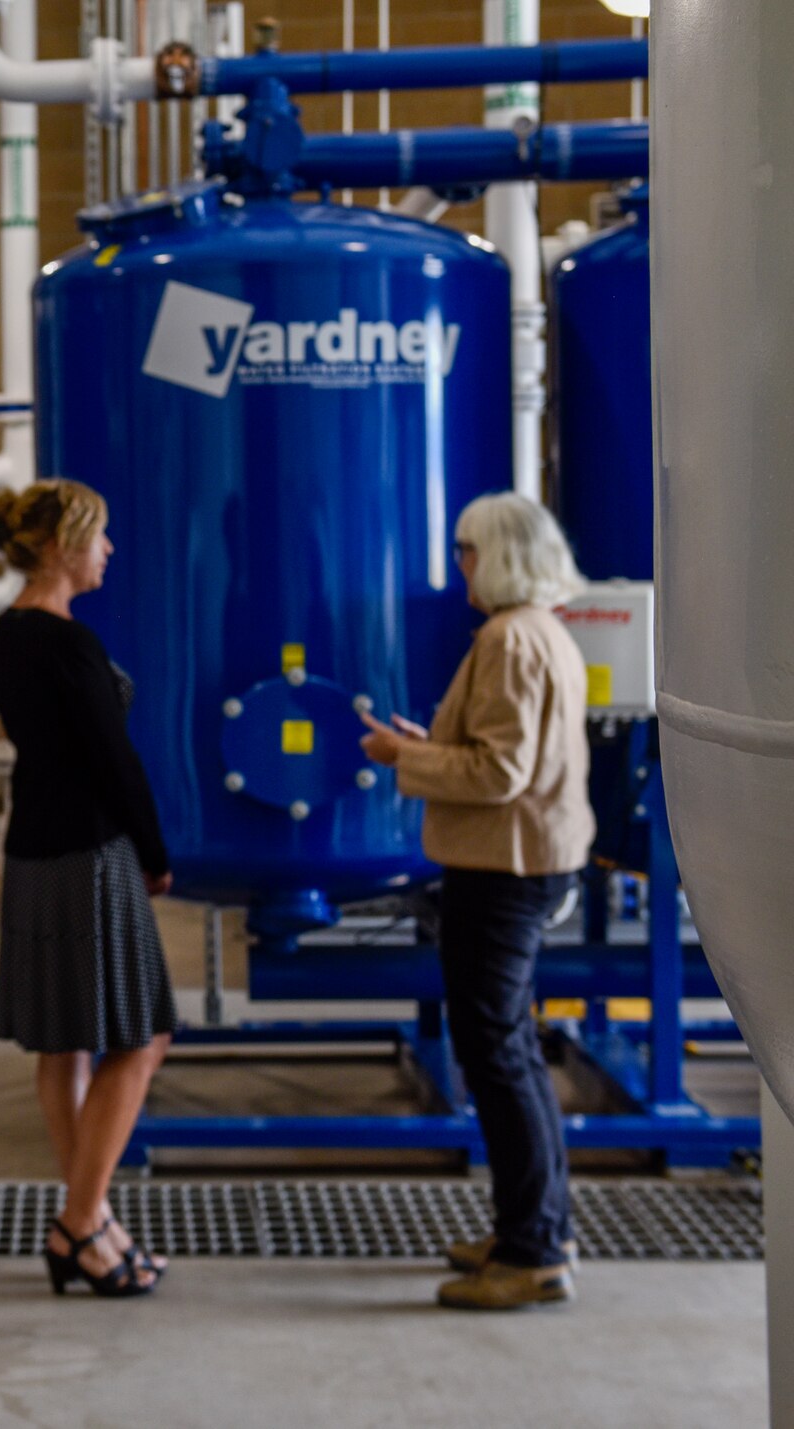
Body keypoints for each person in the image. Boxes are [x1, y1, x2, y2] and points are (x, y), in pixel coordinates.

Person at [359, 491, 595, 1312]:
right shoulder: (544, 632)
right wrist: (432, 749)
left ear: (494, 555)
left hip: (504, 871)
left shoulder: (507, 639)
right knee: (513, 1054)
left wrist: (402, 757)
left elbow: (500, 775)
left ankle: (531, 1251)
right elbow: (507, 757)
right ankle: (538, 1228)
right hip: (526, 861)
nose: (458, 564)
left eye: (465, 550)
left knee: (496, 1056)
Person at [0, 480, 175, 1299]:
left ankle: (89, 1222)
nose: (110, 551)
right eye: (100, 538)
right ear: (63, 546)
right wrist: (157, 852)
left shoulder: (7, 633)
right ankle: (82, 1221)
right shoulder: (69, 643)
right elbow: (113, 761)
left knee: (67, 1043)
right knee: (143, 1036)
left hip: (31, 854)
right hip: (91, 857)